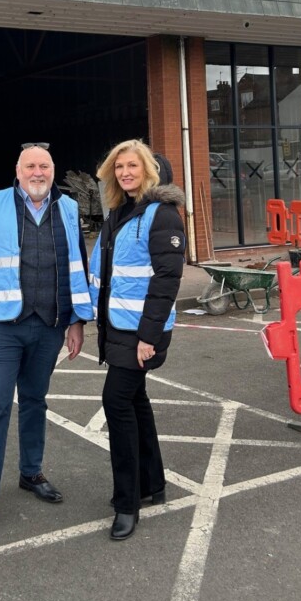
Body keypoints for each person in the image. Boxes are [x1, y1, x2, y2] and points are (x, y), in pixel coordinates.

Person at [0, 142, 93, 543]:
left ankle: (31, 472)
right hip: (3, 325)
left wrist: (76, 321)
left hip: (50, 323)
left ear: (53, 171)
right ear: (18, 172)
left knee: (35, 400)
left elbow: (78, 265)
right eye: (31, 166)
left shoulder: (68, 208)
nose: (38, 173)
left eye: (45, 166)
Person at [89, 139, 185, 541]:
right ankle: (153, 483)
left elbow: (167, 280)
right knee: (135, 401)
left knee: (116, 401)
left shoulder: (161, 215)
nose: (126, 172)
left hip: (141, 332)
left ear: (149, 170)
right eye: (120, 167)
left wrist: (148, 336)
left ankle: (127, 503)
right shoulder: (119, 212)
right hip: (117, 327)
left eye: (133, 166)